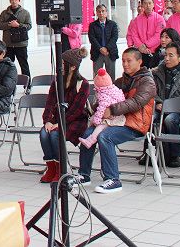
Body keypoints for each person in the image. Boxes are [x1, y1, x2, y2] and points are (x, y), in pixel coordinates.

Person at [76, 49, 156, 194]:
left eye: (129, 61)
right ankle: (84, 175)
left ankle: (113, 179)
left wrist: (112, 110)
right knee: (88, 133)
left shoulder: (147, 82)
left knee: (105, 137)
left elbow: (136, 102)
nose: (125, 64)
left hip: (134, 124)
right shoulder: (120, 81)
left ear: (139, 62)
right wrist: (97, 106)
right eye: (123, 60)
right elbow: (106, 98)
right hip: (115, 121)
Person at [39, 48, 90, 183]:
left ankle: (61, 169)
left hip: (75, 121)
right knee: (44, 133)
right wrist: (47, 120)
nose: (59, 66)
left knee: (55, 135)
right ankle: (51, 168)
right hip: (57, 119)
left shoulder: (83, 84)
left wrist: (59, 123)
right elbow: (50, 103)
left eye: (62, 64)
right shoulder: (57, 81)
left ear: (73, 67)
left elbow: (76, 110)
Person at [78, 68, 126, 148]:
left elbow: (101, 109)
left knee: (100, 127)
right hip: (118, 114)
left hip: (112, 118)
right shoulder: (114, 89)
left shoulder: (103, 95)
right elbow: (122, 99)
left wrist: (96, 121)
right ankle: (88, 137)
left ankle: (91, 140)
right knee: (92, 123)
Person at [0, 0, 32, 76]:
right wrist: (9, 25)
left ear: (19, 1)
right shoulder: (4, 13)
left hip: (21, 44)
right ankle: (8, 82)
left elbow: (29, 26)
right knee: (7, 66)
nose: (14, 1)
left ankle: (28, 83)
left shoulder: (25, 13)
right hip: (8, 44)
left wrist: (18, 25)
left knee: (24, 65)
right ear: (10, 1)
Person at [126, 0, 164, 67]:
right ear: (142, 5)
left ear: (153, 4)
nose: (148, 6)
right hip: (140, 52)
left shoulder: (159, 19)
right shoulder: (136, 20)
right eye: (145, 3)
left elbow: (159, 35)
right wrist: (140, 46)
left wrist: (146, 45)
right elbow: (134, 35)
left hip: (155, 51)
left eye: (150, 3)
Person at [87, 4, 119, 76]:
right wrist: (100, 48)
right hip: (97, 53)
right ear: (96, 13)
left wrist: (106, 48)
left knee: (111, 77)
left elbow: (114, 37)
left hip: (110, 53)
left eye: (103, 11)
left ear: (106, 12)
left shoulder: (112, 24)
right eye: (99, 11)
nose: (101, 13)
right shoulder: (92, 25)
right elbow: (92, 38)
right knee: (97, 76)